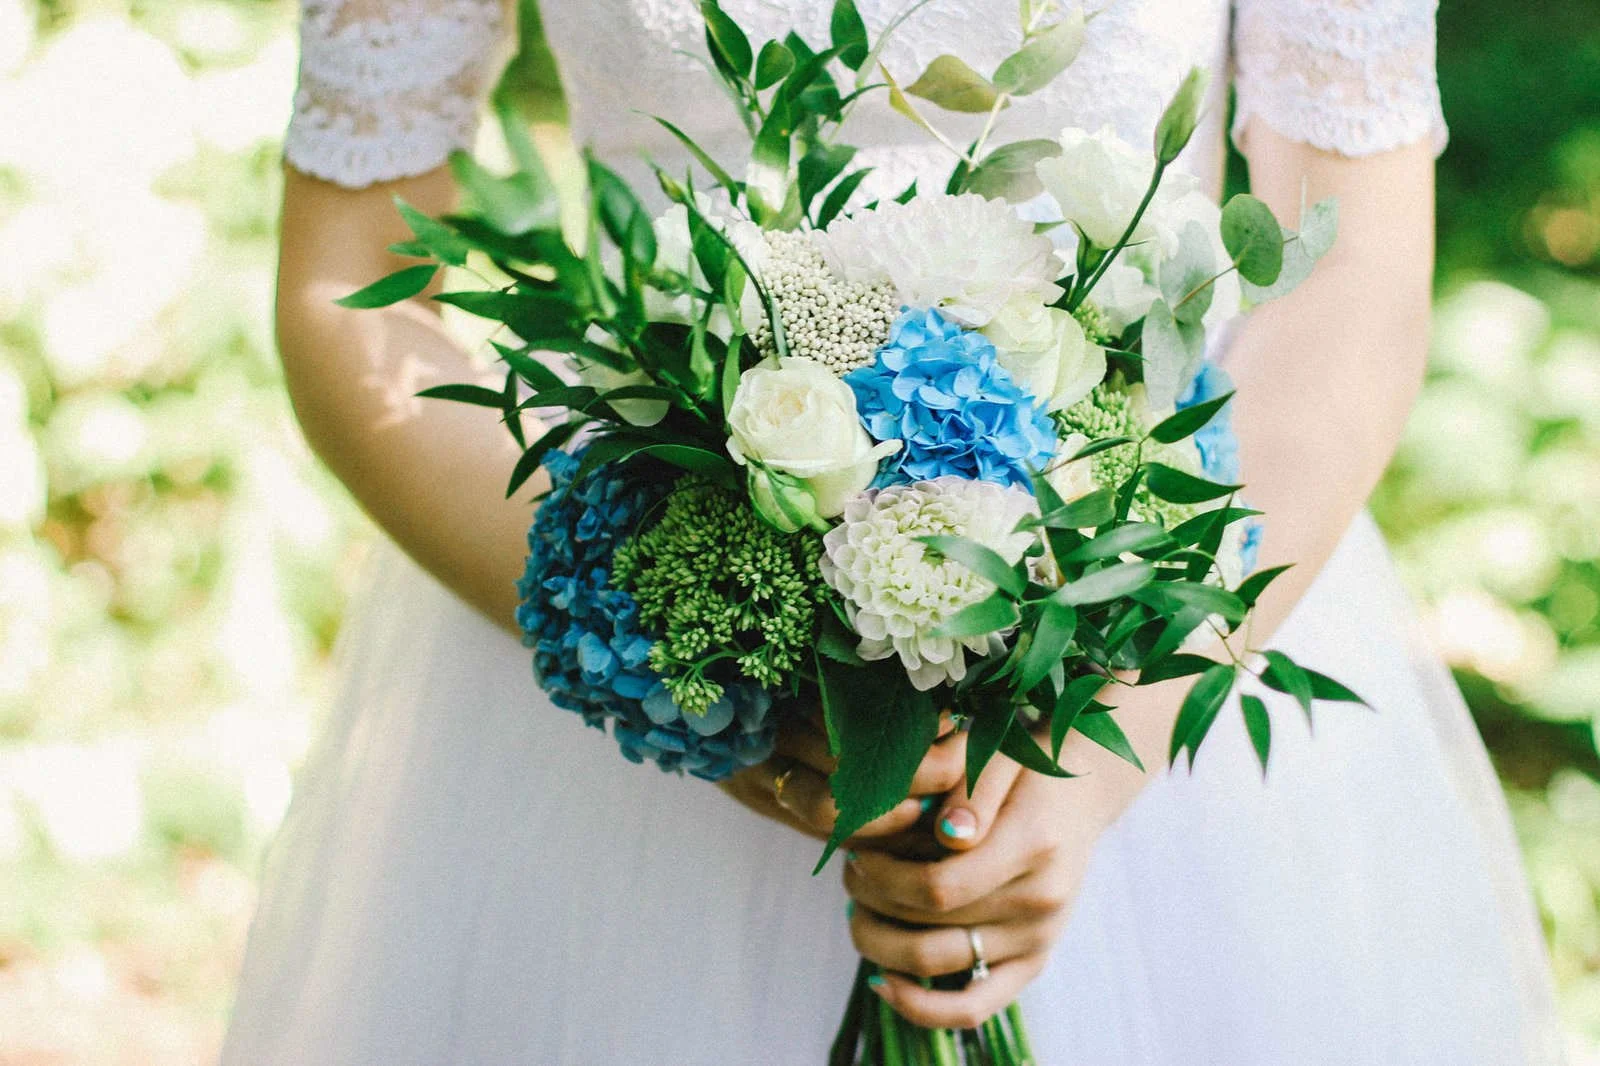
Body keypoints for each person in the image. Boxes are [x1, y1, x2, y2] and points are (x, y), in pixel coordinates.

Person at [222, 1, 1566, 1062]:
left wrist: (1097, 758)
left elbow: (1352, 272)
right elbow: (352, 282)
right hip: (661, 655)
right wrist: (680, 653)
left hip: (1161, 630)